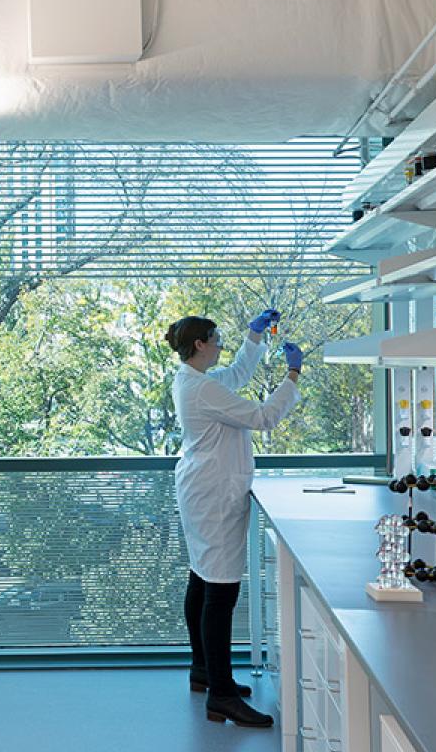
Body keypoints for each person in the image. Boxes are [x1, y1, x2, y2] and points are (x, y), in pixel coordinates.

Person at [167, 310, 303, 729]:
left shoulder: (194, 380)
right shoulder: (203, 390)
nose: (222, 344)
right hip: (214, 493)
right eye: (217, 338)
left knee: (201, 578)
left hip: (202, 489)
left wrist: (253, 336)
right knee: (220, 591)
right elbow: (264, 417)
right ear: (200, 345)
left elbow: (238, 375)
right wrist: (293, 376)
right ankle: (222, 696)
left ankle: (204, 671)